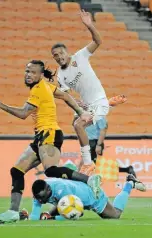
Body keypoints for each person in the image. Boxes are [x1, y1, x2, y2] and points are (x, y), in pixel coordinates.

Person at [0, 60, 102, 224]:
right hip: (41, 135)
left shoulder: (38, 90)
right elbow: (65, 95)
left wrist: (0, 104)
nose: (29, 75)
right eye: (27, 71)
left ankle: (89, 179)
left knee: (51, 170)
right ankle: (12, 212)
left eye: (33, 72)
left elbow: (23, 113)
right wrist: (81, 111)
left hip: (49, 133)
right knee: (16, 171)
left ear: (40, 75)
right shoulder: (46, 86)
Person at [51, 10, 122, 176]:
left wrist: (90, 25)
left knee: (79, 124)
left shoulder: (80, 56)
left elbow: (98, 41)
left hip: (98, 102)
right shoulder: (60, 75)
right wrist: (78, 103)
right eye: (55, 55)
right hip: (89, 105)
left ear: (66, 52)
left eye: (61, 53)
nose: (59, 57)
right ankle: (107, 104)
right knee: (75, 123)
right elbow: (67, 96)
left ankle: (88, 164)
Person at [28, 174, 146, 221]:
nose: (40, 201)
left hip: (92, 196)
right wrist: (29, 218)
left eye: (42, 198)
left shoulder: (62, 190)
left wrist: (51, 219)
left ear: (49, 189)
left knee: (115, 215)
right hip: (70, 196)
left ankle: (129, 184)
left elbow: (77, 213)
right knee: (55, 210)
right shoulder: (40, 190)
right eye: (38, 198)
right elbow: (34, 216)